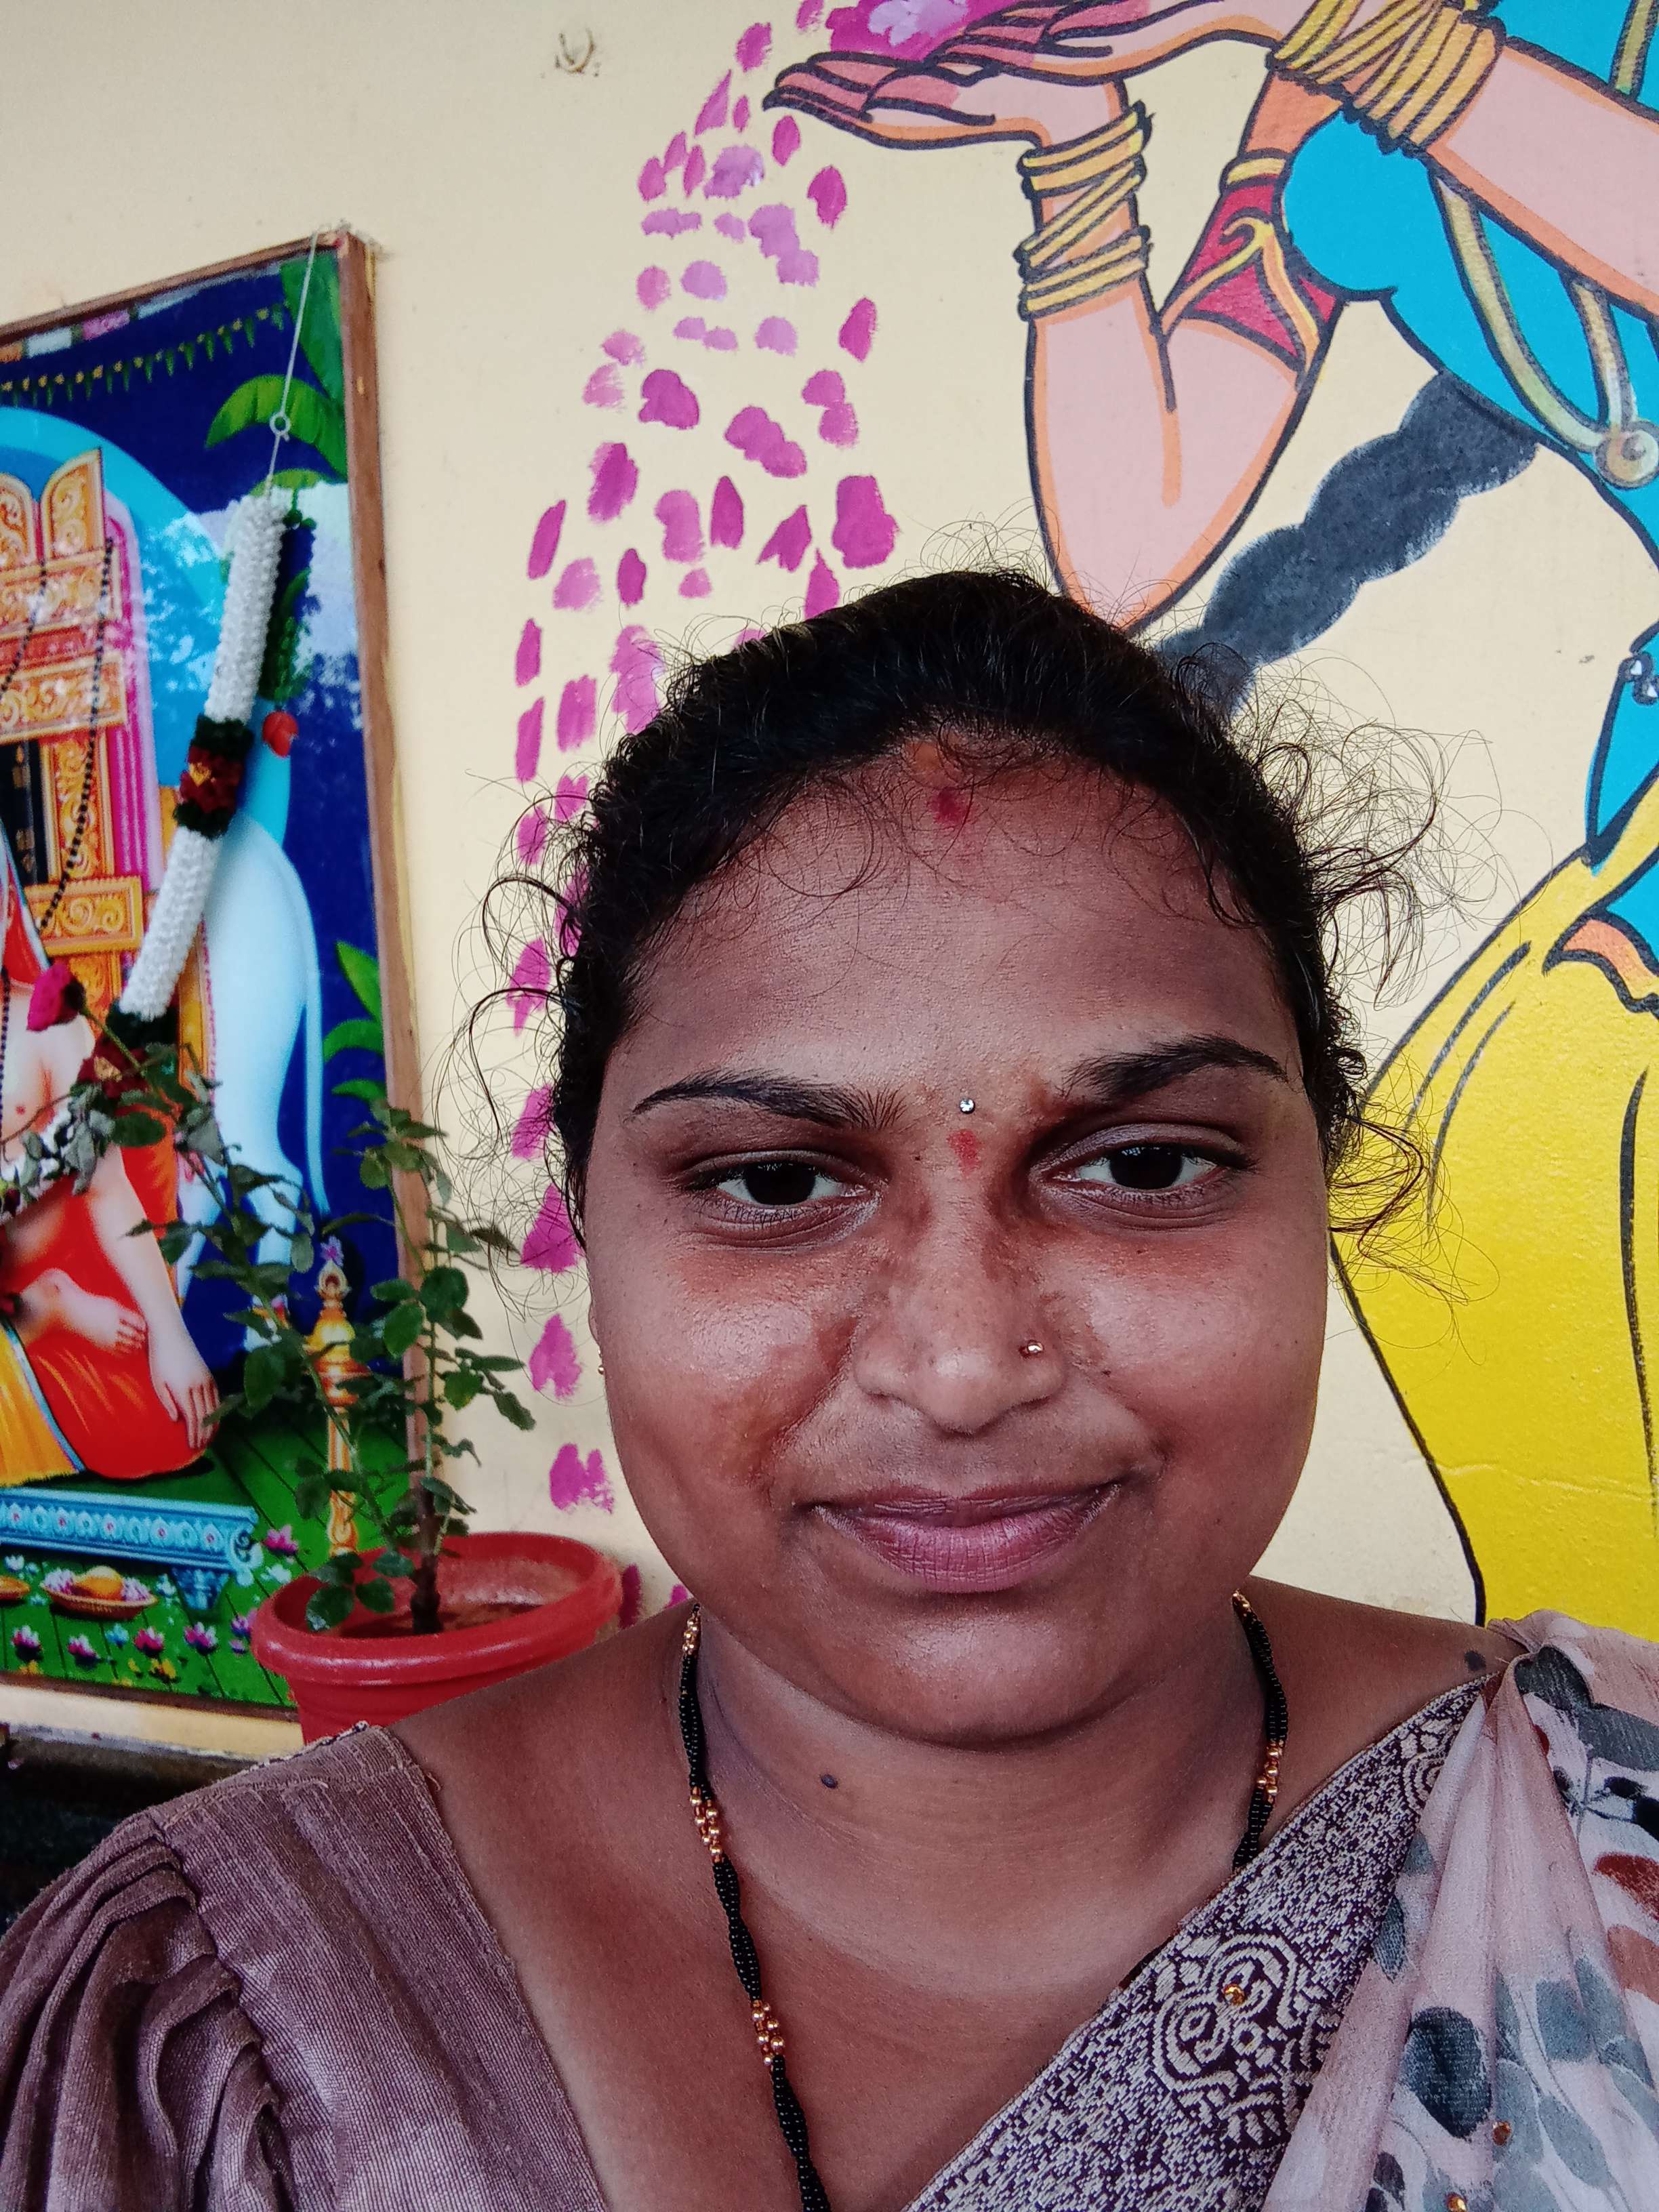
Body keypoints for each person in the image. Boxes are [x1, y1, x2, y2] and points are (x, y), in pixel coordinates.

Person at [1, 574, 1656, 2210]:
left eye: (1145, 1163)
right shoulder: (226, 2051)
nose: (959, 1368)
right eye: (778, 1183)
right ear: (589, 1224)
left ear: (1318, 1189)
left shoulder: (1611, 1834)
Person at [770, 0, 1659, 1628]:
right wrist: (1075, 152)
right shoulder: (1306, 87)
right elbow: (1132, 536)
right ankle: (1595, 1754)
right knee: (1472, 1216)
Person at [0, 822, 218, 1475]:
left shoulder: (45, 1031)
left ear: (7, 907)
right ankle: (41, 1311)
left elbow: (106, 1184)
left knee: (164, 1431)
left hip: (40, 1268)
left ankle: (48, 1302)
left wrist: (171, 1335)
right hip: (15, 1315)